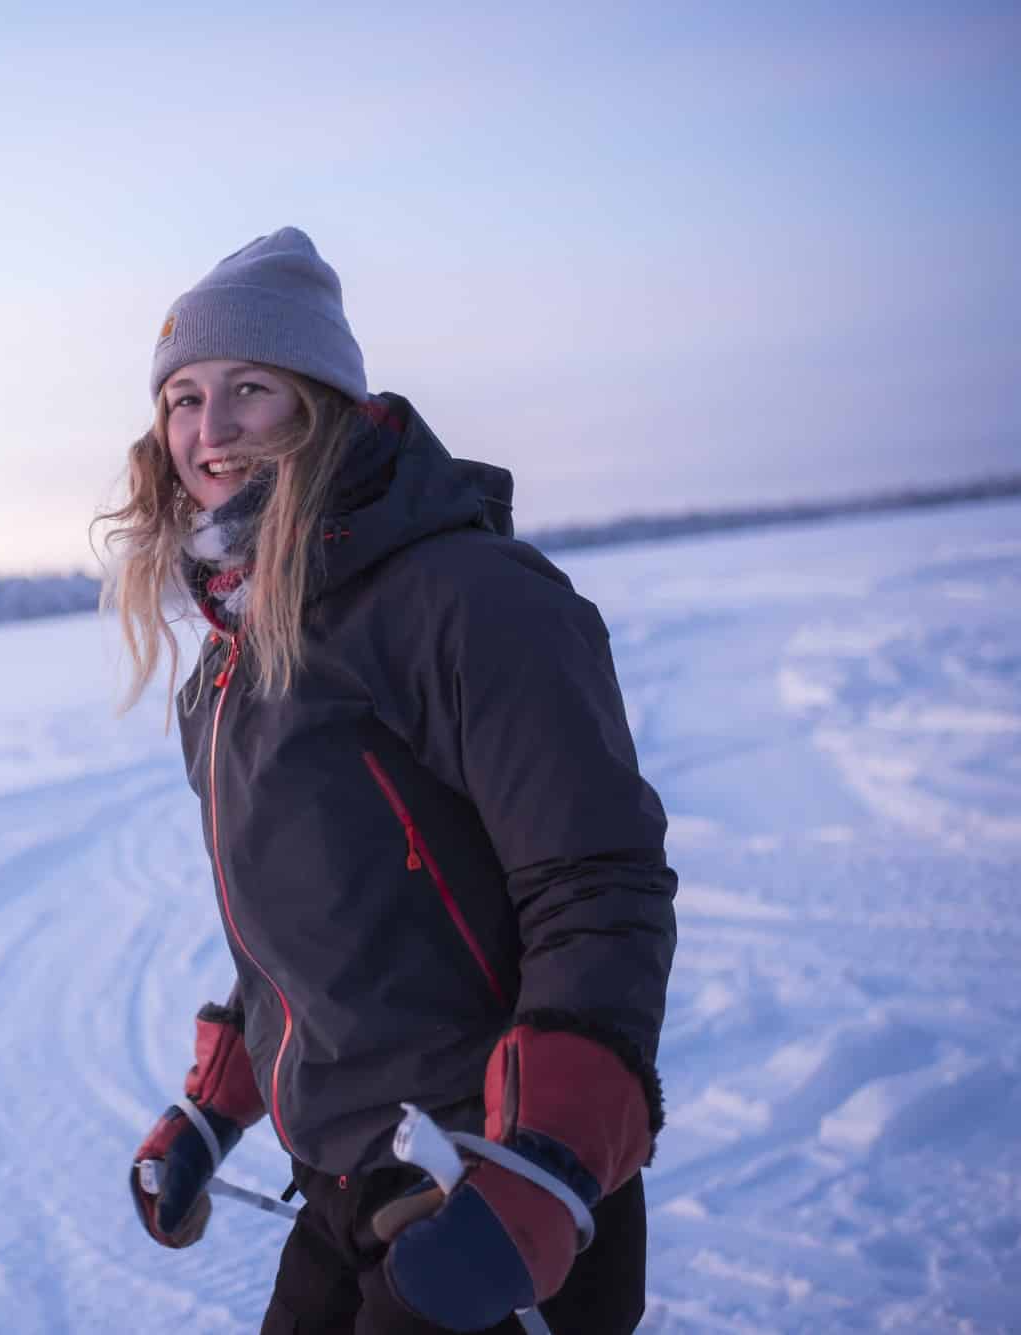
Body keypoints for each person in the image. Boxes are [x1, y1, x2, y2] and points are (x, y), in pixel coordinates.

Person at [97, 228, 676, 1334]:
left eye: (246, 388)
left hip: (487, 1186)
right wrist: (213, 1103)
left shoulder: (466, 597)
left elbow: (596, 883)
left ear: (317, 402)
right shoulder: (235, 655)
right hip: (346, 1176)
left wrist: (545, 1164)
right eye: (180, 397)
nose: (205, 431)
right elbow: (297, 933)